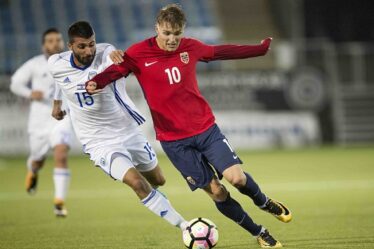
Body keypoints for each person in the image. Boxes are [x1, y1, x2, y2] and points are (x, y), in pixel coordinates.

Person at [87, 4, 293, 248]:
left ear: (182, 31)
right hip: (174, 141)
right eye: (167, 33)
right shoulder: (138, 53)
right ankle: (259, 232)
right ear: (157, 29)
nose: (172, 39)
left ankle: (264, 202)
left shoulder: (191, 47)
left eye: (177, 33)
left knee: (236, 179)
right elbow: (115, 71)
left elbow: (222, 51)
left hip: (205, 129)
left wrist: (259, 49)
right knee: (217, 192)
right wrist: (96, 82)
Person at [48, 21, 188, 235]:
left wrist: (116, 56)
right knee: (138, 184)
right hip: (98, 141)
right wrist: (57, 104)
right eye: (82, 46)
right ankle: (185, 227)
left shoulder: (106, 53)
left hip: (127, 129)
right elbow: (59, 80)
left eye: (92, 44)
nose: (89, 50)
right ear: (70, 47)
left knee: (158, 180)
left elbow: (114, 57)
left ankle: (159, 201)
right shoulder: (55, 63)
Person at [10, 28, 73, 217]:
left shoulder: (70, 61)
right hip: (39, 121)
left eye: (58, 40)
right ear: (44, 45)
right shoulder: (35, 64)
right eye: (50, 41)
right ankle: (33, 171)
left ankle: (59, 202)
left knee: (61, 153)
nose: (55, 43)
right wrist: (29, 93)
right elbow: (15, 82)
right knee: (38, 160)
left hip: (62, 118)